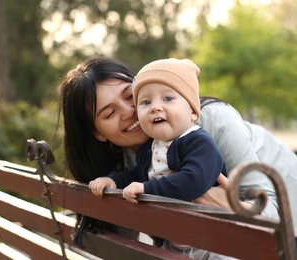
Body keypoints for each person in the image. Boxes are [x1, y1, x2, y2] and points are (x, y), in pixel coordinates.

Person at [59, 56, 297, 238]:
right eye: (110, 113)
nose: (130, 112)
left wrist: (230, 206)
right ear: (97, 133)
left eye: (131, 96)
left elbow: (275, 215)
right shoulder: (130, 161)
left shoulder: (213, 122)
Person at [89, 58, 227, 206]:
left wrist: (147, 189)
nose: (155, 107)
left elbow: (194, 180)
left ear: (193, 111)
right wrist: (113, 181)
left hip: (208, 223)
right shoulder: (150, 147)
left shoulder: (199, 142)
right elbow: (137, 176)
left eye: (168, 98)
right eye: (146, 102)